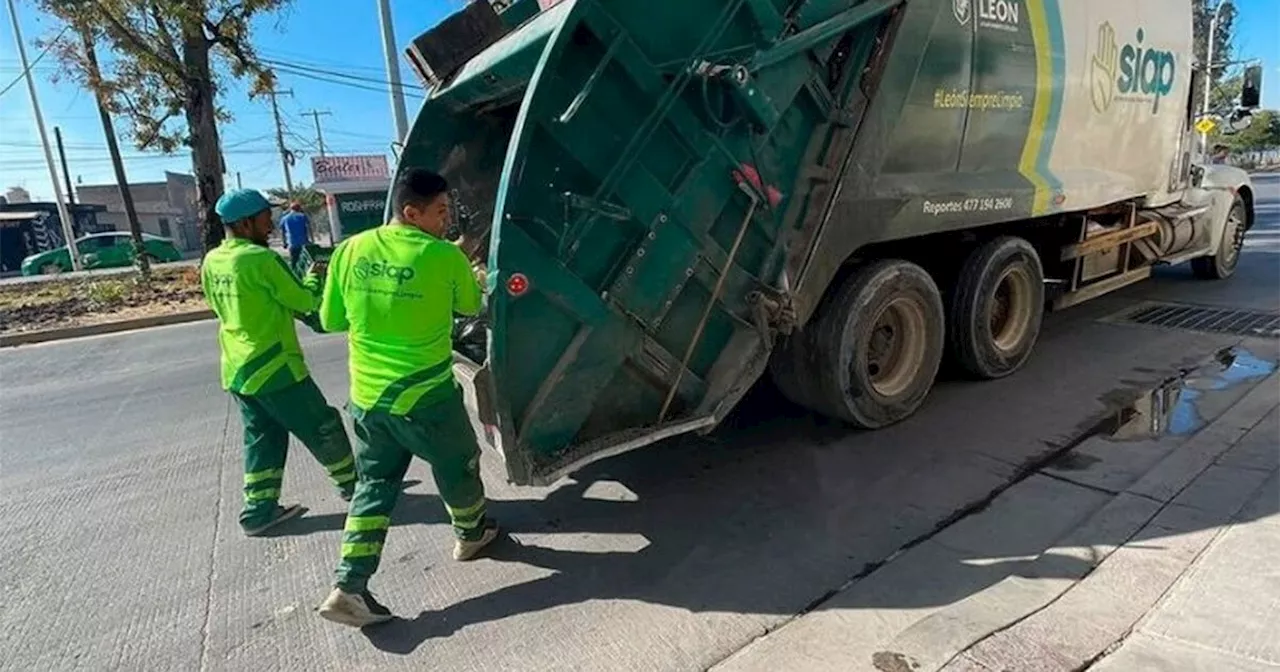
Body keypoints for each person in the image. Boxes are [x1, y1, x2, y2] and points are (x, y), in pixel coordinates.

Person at [317, 168, 497, 628]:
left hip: (369, 399)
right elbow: (471, 308)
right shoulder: (441, 256)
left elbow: (332, 320)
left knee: (374, 486)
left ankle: (348, 586)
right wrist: (462, 267)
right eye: (439, 212)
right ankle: (472, 534)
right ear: (410, 212)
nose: (445, 221)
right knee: (458, 462)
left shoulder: (349, 249)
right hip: (426, 397)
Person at [202, 189, 359, 536]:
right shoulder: (260, 260)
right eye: (263, 217)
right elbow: (303, 300)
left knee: (264, 437)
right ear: (245, 224)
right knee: (323, 425)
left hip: (237, 368)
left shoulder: (213, 260)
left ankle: (258, 511)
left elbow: (217, 306)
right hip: (275, 367)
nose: (270, 222)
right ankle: (354, 487)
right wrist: (316, 276)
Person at [279, 201, 311, 268]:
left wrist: (284, 242)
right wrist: (310, 240)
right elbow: (308, 228)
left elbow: (282, 232)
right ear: (299, 208)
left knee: (294, 262)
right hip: (303, 242)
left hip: (292, 243)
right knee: (304, 263)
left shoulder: (285, 218)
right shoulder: (303, 216)